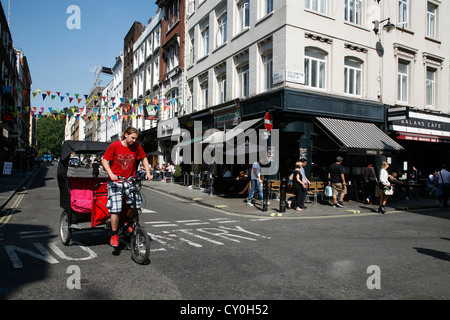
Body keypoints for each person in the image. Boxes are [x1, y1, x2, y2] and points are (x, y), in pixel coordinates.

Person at [101, 127, 152, 248]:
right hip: (115, 181)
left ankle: (128, 222)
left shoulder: (137, 147)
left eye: (136, 138)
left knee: (136, 204)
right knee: (116, 208)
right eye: (132, 138)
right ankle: (114, 235)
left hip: (129, 180)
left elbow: (144, 158)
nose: (134, 140)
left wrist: (148, 172)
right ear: (125, 135)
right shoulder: (114, 146)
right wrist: (111, 174)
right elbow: (104, 160)